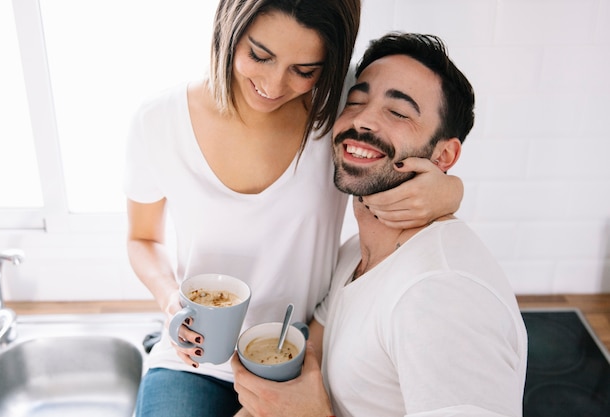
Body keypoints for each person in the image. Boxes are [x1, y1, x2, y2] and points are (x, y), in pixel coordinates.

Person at [124, 0, 462, 414]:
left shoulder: (343, 106)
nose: (273, 84)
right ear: (229, 29)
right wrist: (169, 299)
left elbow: (420, 146)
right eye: (259, 55)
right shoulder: (158, 121)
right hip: (197, 358)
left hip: (303, 353)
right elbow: (142, 238)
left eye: (305, 70)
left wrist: (451, 191)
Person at [231, 32, 528, 417]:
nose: (364, 120)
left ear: (444, 155)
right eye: (355, 102)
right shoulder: (356, 254)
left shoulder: (441, 294)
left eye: (399, 113)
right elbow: (310, 359)